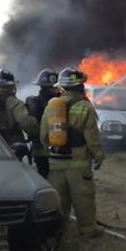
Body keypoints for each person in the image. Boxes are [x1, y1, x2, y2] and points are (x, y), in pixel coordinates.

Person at [40, 68, 105, 240]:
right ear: (80, 86)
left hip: (56, 162)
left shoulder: (52, 106)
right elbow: (92, 137)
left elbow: (44, 135)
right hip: (78, 163)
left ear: (62, 86)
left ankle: (58, 233)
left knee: (59, 199)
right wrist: (98, 155)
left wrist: (49, 151)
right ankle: (88, 230)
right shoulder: (85, 107)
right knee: (83, 196)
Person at [0, 69, 39, 146]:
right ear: (12, 86)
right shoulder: (14, 102)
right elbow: (28, 124)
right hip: (12, 148)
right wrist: (37, 131)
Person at [25, 68, 60, 177]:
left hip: (39, 148)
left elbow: (29, 125)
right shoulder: (61, 104)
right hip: (59, 148)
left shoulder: (34, 102)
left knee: (43, 175)